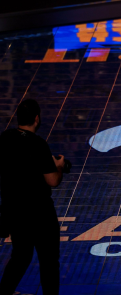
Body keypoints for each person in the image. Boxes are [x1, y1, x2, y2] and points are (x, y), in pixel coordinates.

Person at [0, 99, 65, 295]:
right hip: (39, 212)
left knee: (20, 257)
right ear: (37, 118)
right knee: (48, 260)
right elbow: (52, 180)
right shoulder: (38, 144)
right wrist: (59, 167)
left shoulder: (5, 138)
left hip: (14, 210)